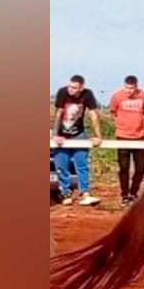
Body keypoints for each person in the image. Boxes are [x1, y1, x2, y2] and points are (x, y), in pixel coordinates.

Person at [52, 74, 102, 206]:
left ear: (81, 88)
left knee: (82, 163)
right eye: (70, 86)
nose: (70, 89)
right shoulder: (63, 92)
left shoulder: (87, 94)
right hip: (62, 133)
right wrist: (56, 135)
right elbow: (58, 113)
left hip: (78, 133)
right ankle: (66, 193)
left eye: (74, 88)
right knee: (61, 165)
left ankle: (85, 193)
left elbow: (93, 114)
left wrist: (97, 135)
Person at [109, 75, 144, 208]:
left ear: (136, 87)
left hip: (139, 137)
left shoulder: (143, 96)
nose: (129, 91)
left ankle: (133, 193)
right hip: (122, 136)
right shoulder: (117, 96)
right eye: (127, 88)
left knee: (141, 168)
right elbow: (113, 112)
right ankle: (124, 195)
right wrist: (119, 126)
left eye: (131, 88)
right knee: (124, 168)